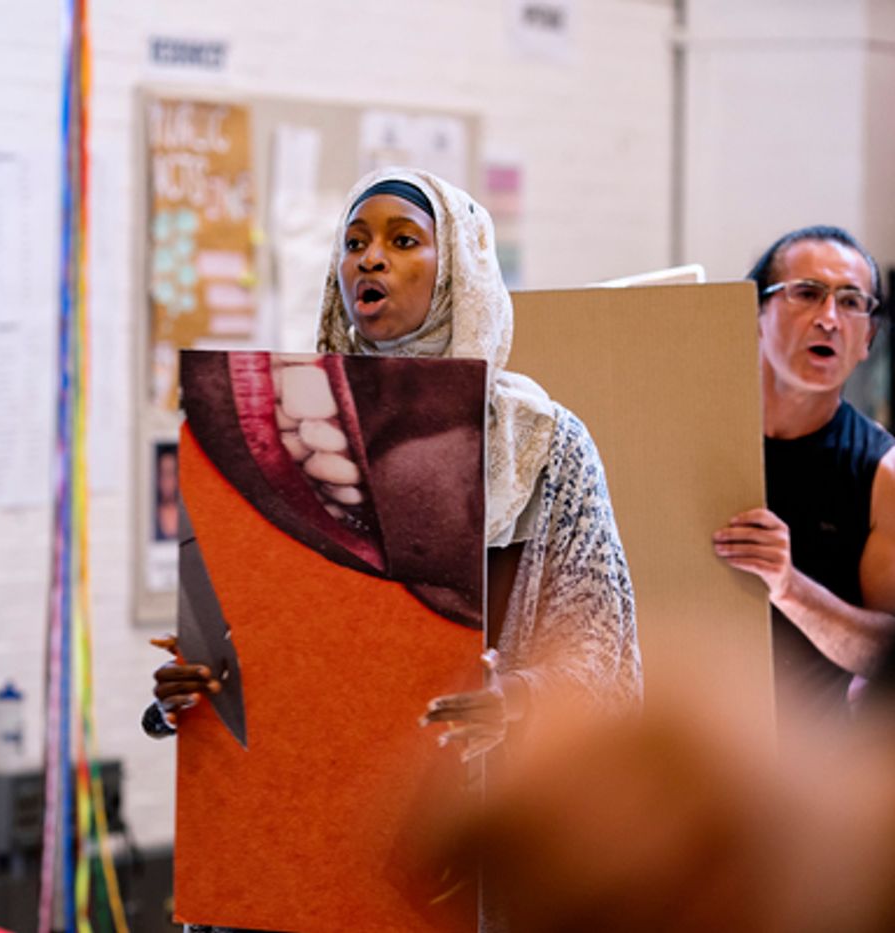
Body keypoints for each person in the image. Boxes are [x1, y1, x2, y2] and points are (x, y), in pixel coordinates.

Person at [146, 168, 643, 929]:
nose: (368, 261)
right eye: (354, 243)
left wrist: (520, 700)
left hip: (472, 849)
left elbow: (598, 647)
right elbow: (270, 645)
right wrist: (196, 693)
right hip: (306, 842)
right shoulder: (292, 432)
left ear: (461, 275)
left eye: (402, 240)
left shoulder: (543, 444)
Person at [713, 226, 895, 727]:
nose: (830, 320)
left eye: (852, 302)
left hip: (808, 764)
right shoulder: (690, 435)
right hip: (680, 739)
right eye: (808, 294)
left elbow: (886, 654)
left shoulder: (881, 474)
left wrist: (789, 586)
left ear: (868, 339)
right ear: (756, 315)